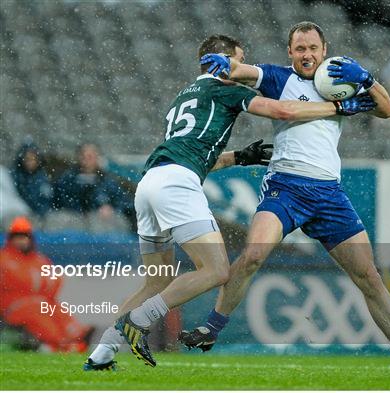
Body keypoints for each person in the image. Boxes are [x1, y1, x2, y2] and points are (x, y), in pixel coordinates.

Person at [83, 34, 373, 371]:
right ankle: (139, 320)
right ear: (223, 62)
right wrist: (338, 107)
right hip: (177, 185)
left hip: (149, 184)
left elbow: (195, 153)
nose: (241, 68)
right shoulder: (225, 88)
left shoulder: (185, 94)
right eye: (238, 61)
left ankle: (101, 353)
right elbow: (282, 110)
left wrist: (239, 157)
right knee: (218, 271)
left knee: (155, 281)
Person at [179, 22, 390, 375]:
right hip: (285, 187)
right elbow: (242, 70)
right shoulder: (277, 77)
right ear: (290, 52)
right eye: (300, 48)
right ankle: (211, 329)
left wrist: (367, 79)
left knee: (368, 276)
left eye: (312, 48)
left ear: (323, 48)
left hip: (328, 193)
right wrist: (225, 64)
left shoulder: (339, 80)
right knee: (253, 254)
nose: (307, 54)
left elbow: (387, 110)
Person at [0, 216, 93, 352]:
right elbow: (20, 284)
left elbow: (55, 281)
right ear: (11, 239)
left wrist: (40, 292)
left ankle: (78, 336)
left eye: (24, 236)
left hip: (38, 301)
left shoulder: (39, 260)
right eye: (17, 237)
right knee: (38, 311)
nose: (21, 241)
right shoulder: (4, 258)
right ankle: (60, 343)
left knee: (56, 309)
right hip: (11, 307)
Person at [53, 143, 135, 229]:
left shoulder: (108, 180)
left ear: (97, 157)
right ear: (79, 157)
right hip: (73, 222)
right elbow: (56, 201)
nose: (87, 160)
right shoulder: (67, 179)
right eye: (84, 156)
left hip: (101, 225)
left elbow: (124, 201)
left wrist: (111, 208)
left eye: (90, 156)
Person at [11, 142, 53, 218]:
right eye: (27, 159)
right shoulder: (14, 177)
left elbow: (46, 202)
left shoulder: (43, 179)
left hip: (39, 219)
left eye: (33, 159)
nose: (30, 162)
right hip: (18, 217)